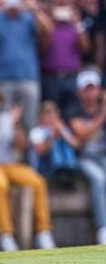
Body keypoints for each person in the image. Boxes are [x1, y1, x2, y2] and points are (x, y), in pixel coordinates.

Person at [67, 69, 106, 245]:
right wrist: (103, 113)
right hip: (83, 157)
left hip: (104, 156)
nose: (91, 93)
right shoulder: (74, 110)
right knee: (99, 178)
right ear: (79, 92)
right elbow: (81, 133)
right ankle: (103, 229)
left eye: (94, 88)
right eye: (87, 89)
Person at [0, 95, 55, 251]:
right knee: (1, 186)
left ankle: (43, 232)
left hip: (10, 165)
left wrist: (15, 124)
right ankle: (5, 234)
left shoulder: (8, 118)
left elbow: (22, 145)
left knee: (38, 182)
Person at [0, 0, 52, 131]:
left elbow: (48, 30)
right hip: (3, 79)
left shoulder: (28, 19)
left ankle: (30, 147)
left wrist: (34, 9)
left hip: (28, 77)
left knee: (30, 122)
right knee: (4, 123)